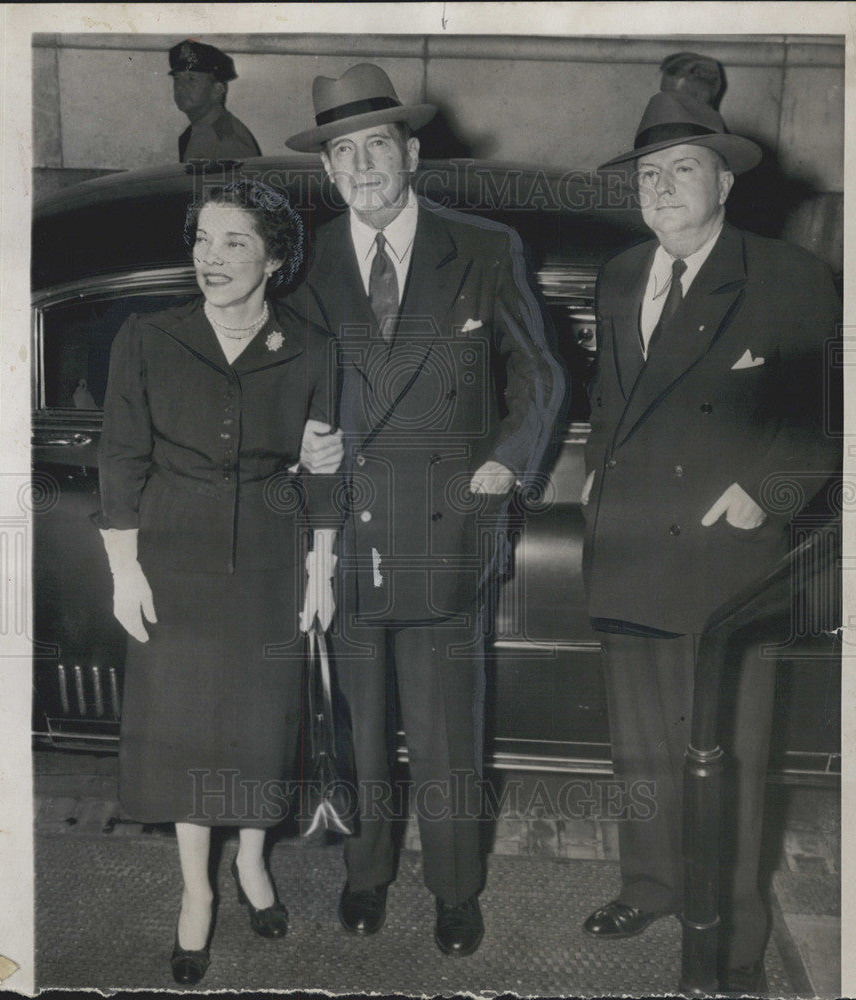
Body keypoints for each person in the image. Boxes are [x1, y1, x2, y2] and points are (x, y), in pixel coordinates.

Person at [286, 63, 565, 957]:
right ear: (329, 169)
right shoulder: (306, 256)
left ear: (410, 153)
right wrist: (302, 438)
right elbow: (280, 376)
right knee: (362, 725)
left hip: (447, 528)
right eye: (342, 152)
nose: (361, 165)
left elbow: (543, 375)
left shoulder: (482, 247)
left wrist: (507, 462)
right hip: (349, 529)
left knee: (447, 732)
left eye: (376, 146)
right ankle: (366, 874)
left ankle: (455, 889)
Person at [581, 89, 840, 992]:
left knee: (726, 752)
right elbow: (612, 405)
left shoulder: (790, 278)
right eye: (648, 174)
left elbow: (828, 419)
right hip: (628, 549)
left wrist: (761, 497)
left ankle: (732, 938)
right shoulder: (618, 277)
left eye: (682, 168)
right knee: (643, 747)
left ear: (725, 180)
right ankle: (651, 884)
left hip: (725, 561)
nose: (661, 187)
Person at [96, 179, 341, 985]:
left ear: (274, 257)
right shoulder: (148, 335)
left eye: (236, 242)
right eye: (204, 239)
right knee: (187, 737)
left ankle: (254, 866)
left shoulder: (311, 345)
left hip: (272, 562)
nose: (213, 257)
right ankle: (197, 893)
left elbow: (321, 469)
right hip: (173, 565)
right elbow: (122, 458)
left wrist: (320, 570)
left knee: (258, 733)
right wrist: (123, 570)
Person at [169, 39, 261, 162]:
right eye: (177, 79)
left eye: (191, 79)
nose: (180, 87)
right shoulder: (197, 130)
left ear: (217, 90)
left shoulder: (229, 141)